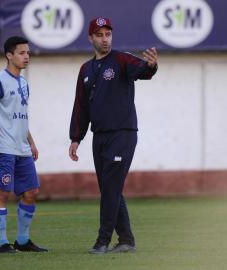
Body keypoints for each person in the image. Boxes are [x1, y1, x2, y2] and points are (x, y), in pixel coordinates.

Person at [68, 17, 158, 254]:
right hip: (100, 137)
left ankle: (102, 241)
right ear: (91, 38)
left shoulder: (121, 59)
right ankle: (127, 240)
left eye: (108, 34)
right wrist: (76, 138)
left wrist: (150, 66)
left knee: (110, 188)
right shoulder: (85, 70)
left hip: (123, 134)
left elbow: (143, 71)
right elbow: (81, 106)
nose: (105, 39)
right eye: (99, 35)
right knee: (110, 189)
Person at [0, 36, 48, 253]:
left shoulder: (24, 83)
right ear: (9, 55)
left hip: (23, 149)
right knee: (3, 193)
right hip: (4, 149)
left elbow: (19, 116)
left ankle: (22, 240)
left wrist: (32, 142)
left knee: (32, 191)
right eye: (22, 53)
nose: (26, 56)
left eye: (28, 53)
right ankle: (2, 243)